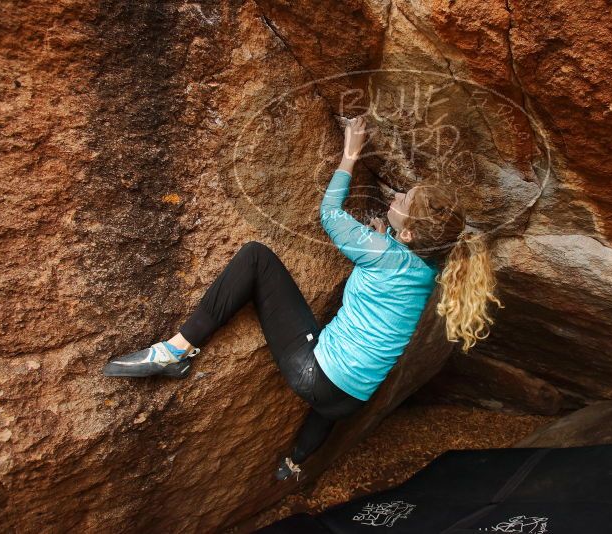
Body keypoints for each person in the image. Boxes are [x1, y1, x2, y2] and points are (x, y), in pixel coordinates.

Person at [102, 115, 504, 481]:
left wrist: (350, 154)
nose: (396, 197)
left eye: (403, 202)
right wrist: (387, 236)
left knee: (255, 257)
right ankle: (294, 463)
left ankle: (176, 351)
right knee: (332, 400)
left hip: (314, 374)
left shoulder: (383, 253)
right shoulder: (427, 271)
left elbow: (329, 214)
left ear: (412, 234)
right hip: (351, 400)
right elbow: (396, 269)